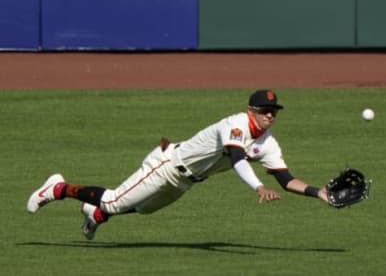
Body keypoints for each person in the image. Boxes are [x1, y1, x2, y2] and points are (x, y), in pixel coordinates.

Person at [27, 89, 329, 240]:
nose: (270, 116)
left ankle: (96, 214)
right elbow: (237, 157)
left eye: (274, 111)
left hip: (186, 182)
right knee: (115, 200)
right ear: (251, 110)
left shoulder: (268, 143)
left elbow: (287, 180)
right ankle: (57, 188)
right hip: (168, 164)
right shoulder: (235, 124)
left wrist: (319, 193)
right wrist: (257, 186)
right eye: (265, 110)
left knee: (143, 208)